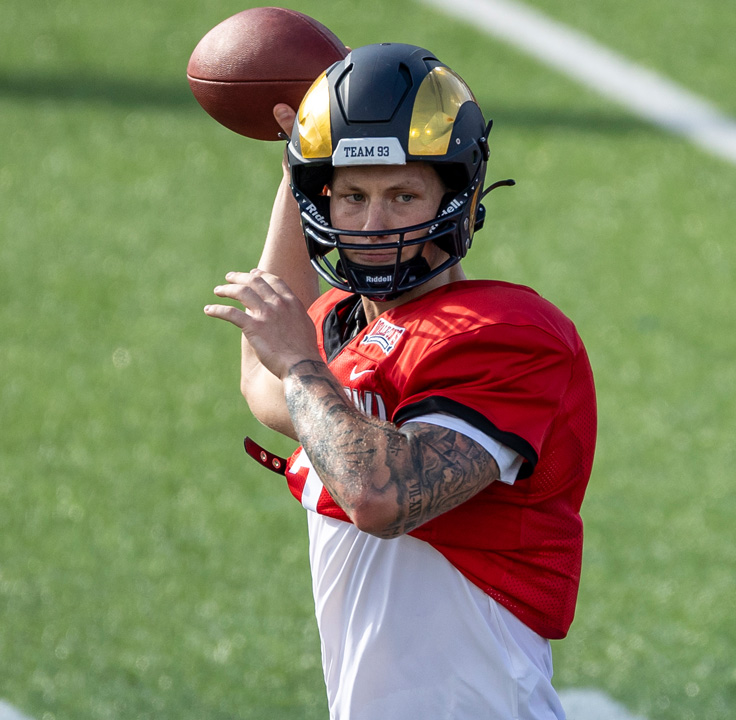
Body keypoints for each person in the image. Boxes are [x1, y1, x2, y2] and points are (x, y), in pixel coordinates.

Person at [203, 43, 597, 719]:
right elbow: (266, 387)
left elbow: (380, 497)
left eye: (403, 195)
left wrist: (300, 363)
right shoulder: (341, 328)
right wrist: (295, 155)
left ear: (459, 197)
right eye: (351, 196)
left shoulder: (509, 335)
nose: (374, 224)